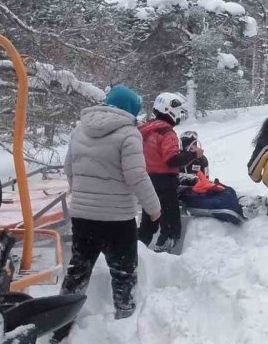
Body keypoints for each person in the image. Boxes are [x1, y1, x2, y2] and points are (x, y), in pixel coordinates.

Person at [62, 85, 161, 322]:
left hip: (82, 216)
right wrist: (154, 208)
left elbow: (68, 168)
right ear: (130, 109)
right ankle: (124, 321)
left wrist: (83, 196)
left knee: (78, 268)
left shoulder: (79, 129)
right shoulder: (129, 133)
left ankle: (63, 320)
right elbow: (136, 175)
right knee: (123, 271)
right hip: (117, 218)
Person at [137, 92, 201, 253]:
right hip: (165, 182)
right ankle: (165, 261)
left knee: (149, 221)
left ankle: (136, 252)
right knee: (171, 225)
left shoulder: (146, 130)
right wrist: (194, 155)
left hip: (147, 181)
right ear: (169, 109)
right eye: (178, 110)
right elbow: (172, 160)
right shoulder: (167, 132)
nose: (180, 114)